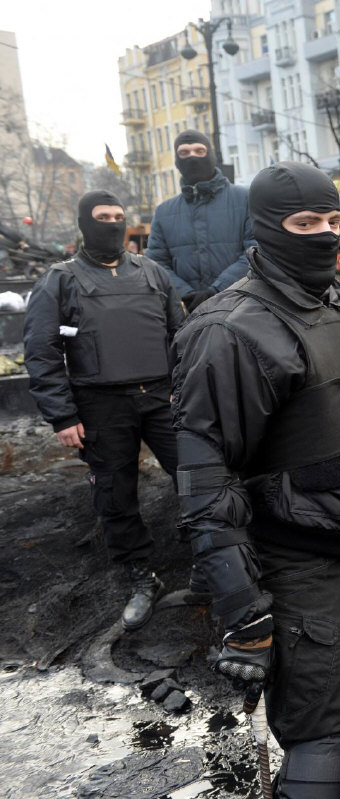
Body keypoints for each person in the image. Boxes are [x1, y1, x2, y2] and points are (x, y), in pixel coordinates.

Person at [172, 162, 340, 797]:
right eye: (304, 223)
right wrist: (242, 610)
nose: (325, 235)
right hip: (297, 567)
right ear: (264, 229)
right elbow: (205, 479)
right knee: (321, 737)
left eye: (334, 222)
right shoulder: (230, 330)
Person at [24, 190, 184, 632]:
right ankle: (139, 577)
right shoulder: (60, 279)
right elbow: (41, 350)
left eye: (118, 217)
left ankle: (212, 562)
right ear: (84, 222)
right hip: (99, 405)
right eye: (102, 217)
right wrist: (62, 415)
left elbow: (181, 335)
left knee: (198, 476)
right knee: (114, 494)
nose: (112, 224)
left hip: (160, 397)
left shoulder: (153, 272)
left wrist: (182, 389)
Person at [145, 131, 254, 312]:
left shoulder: (245, 199)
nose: (192, 157)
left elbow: (256, 251)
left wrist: (217, 290)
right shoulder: (164, 211)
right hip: (189, 312)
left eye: (199, 151)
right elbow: (156, 262)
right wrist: (186, 293)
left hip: (241, 307)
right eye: (184, 153)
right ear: (177, 160)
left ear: (210, 155)